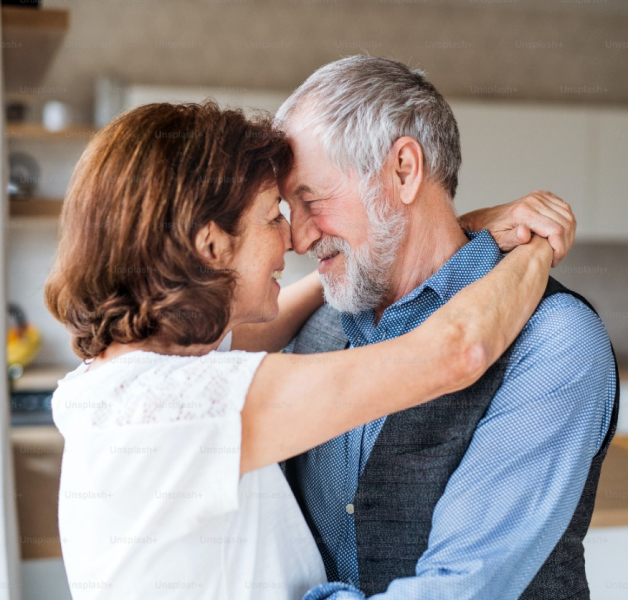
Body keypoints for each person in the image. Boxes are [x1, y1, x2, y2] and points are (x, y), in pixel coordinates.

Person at [47, 101, 556, 600]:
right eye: (274, 217)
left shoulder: (145, 372)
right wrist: (537, 245)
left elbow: (277, 316)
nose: (293, 239)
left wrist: (448, 234)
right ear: (211, 248)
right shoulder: (172, 412)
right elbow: (457, 351)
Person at [273, 56, 619, 600]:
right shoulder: (315, 328)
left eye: (311, 200)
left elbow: (460, 590)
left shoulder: (555, 341)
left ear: (404, 171)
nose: (296, 239)